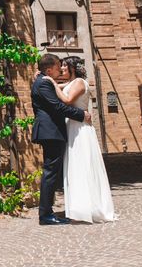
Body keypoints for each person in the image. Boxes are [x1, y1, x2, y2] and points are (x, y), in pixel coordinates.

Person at [42, 56, 116, 223]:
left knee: (82, 164)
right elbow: (58, 88)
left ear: (72, 68)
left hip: (80, 129)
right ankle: (79, 207)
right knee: (74, 166)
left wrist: (53, 83)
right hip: (73, 127)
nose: (61, 70)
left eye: (64, 68)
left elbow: (67, 100)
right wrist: (44, 79)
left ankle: (88, 207)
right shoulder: (70, 83)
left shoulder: (80, 82)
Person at [31, 53, 91, 225]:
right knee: (50, 173)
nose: (60, 69)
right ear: (49, 69)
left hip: (51, 131)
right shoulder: (43, 83)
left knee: (52, 172)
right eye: (58, 67)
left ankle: (48, 212)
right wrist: (81, 114)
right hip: (51, 132)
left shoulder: (44, 80)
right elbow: (57, 107)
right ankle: (45, 215)